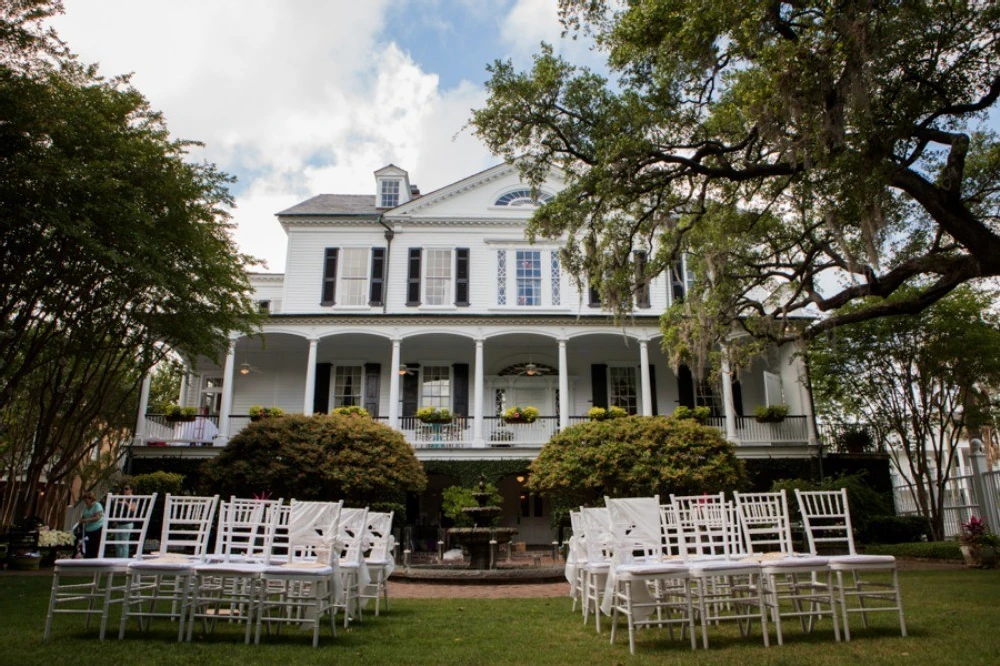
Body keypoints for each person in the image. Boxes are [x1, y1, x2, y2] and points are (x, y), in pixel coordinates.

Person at [78, 491, 104, 559]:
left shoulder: (97, 505)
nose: (86, 502)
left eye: (86, 500)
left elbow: (98, 517)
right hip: (88, 529)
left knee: (95, 546)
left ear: (90, 499)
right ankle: (87, 559)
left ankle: (94, 559)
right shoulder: (86, 508)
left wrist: (86, 520)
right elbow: (84, 516)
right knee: (88, 545)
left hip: (97, 528)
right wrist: (81, 519)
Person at [114, 484, 137, 558]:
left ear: (131, 490)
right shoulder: (122, 497)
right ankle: (119, 558)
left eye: (127, 489)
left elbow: (133, 509)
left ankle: (124, 559)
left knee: (124, 542)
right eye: (124, 489)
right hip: (119, 523)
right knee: (117, 543)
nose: (125, 490)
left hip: (127, 523)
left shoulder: (133, 498)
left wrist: (126, 503)